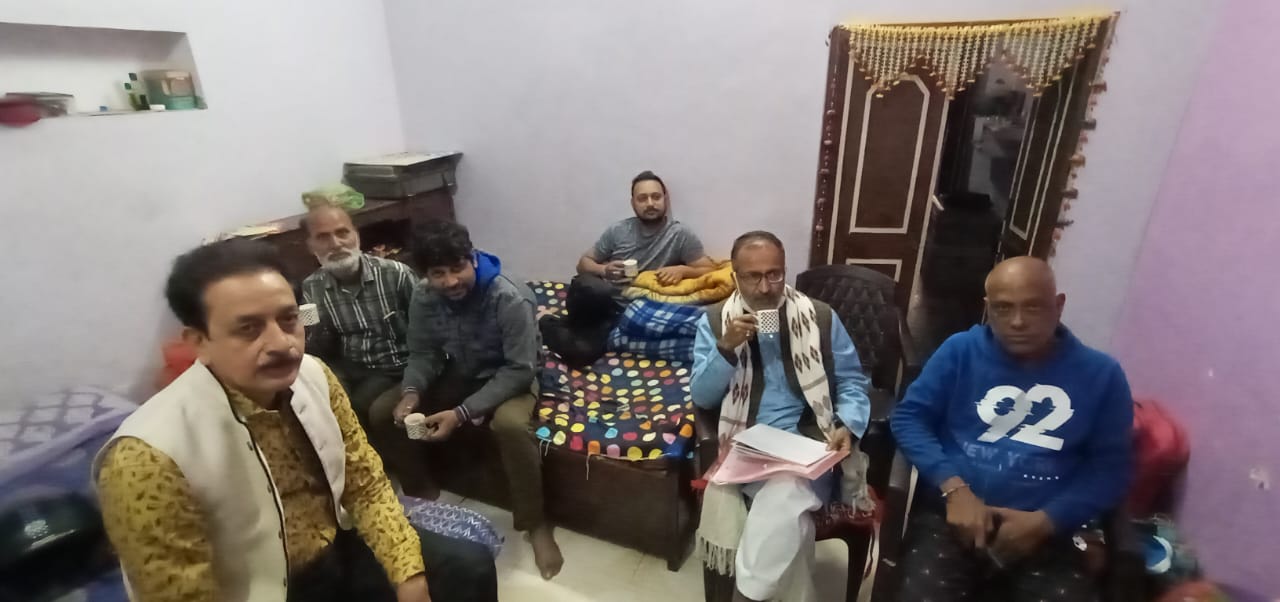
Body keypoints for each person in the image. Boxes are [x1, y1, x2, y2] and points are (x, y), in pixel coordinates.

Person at [94, 239, 497, 602]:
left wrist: (409, 576)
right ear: (199, 341)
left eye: (288, 320)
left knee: (466, 566)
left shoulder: (315, 375)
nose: (281, 343)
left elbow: (366, 484)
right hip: (263, 587)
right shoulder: (145, 459)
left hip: (339, 546)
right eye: (248, 329)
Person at [890, 256, 1134, 601]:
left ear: (1058, 306)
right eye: (1003, 308)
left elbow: (1111, 469)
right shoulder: (960, 352)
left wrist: (1049, 520)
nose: (1017, 322)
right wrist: (954, 488)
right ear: (987, 308)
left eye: (1032, 307)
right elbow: (909, 417)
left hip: (1047, 533)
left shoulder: (1102, 375)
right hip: (953, 520)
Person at [370, 220, 564, 580]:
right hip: (460, 371)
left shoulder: (509, 296)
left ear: (472, 258)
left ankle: (535, 523)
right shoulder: (424, 295)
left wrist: (461, 413)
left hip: (511, 375)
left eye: (457, 268)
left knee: (510, 426)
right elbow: (424, 352)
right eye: (438, 273)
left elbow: (520, 368)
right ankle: (420, 488)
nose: (450, 281)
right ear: (426, 275)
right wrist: (412, 392)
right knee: (383, 410)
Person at [691, 231, 873, 602]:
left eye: (774, 274)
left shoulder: (819, 316)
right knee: (791, 510)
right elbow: (702, 398)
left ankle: (746, 595)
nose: (765, 287)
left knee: (788, 490)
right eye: (753, 277)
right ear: (735, 277)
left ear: (785, 271)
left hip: (812, 445)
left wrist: (847, 425)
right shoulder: (715, 322)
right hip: (746, 446)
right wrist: (726, 348)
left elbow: (853, 381)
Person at [300, 203, 416, 431]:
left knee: (373, 411)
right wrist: (310, 331)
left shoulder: (396, 274)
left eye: (342, 233)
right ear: (311, 246)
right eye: (323, 237)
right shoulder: (311, 288)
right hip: (354, 368)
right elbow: (317, 349)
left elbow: (430, 333)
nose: (336, 244)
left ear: (356, 236)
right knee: (330, 407)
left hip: (400, 367)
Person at [577, 170, 716, 286]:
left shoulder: (680, 234)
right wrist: (603, 270)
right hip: (610, 301)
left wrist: (682, 270)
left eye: (656, 197)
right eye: (642, 198)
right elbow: (583, 264)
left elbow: (709, 269)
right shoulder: (617, 230)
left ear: (665, 200)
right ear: (633, 203)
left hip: (651, 304)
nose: (650, 204)